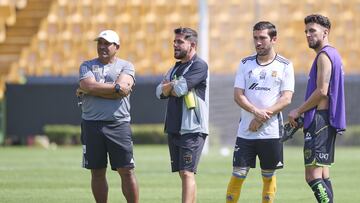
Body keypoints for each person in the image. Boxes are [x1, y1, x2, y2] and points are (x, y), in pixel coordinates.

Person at [226, 21, 294, 203]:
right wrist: (257, 112)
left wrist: (262, 118)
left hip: (271, 133)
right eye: (255, 38)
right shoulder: (245, 63)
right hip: (246, 132)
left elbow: (286, 99)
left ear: (274, 39)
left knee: (268, 175)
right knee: (238, 173)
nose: (258, 42)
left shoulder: (285, 65)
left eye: (262, 38)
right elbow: (238, 95)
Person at [288, 14, 346, 203]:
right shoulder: (334, 54)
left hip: (319, 122)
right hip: (326, 120)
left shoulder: (324, 56)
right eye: (306, 31)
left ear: (325, 32)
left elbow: (322, 91)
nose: (308, 34)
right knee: (323, 174)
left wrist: (299, 111)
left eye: (312, 30)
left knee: (312, 176)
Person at [77, 29, 139, 203]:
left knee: (126, 170)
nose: (102, 47)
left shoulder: (126, 65)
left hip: (118, 124)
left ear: (117, 47)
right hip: (91, 124)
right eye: (100, 43)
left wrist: (92, 89)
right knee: (96, 171)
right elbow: (88, 85)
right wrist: (116, 89)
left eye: (107, 43)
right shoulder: (86, 65)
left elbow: (91, 88)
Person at [155, 27, 209, 203]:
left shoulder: (199, 65)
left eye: (179, 42)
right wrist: (171, 86)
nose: (175, 45)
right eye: (174, 42)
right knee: (184, 173)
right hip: (174, 126)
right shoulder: (175, 68)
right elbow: (159, 92)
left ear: (192, 44)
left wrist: (169, 86)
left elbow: (178, 90)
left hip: (192, 128)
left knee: (187, 172)